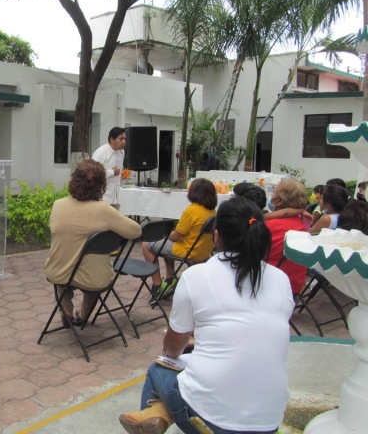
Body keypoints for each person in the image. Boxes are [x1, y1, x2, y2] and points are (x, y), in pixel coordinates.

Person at [119, 197, 293, 434]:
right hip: (269, 419)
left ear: (217, 235)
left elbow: (172, 348)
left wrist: (181, 349)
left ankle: (157, 412)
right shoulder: (280, 279)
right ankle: (161, 413)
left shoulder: (197, 276)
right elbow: (252, 331)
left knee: (159, 370)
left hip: (215, 418)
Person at [44, 159, 141, 325]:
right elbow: (136, 231)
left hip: (58, 273)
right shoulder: (103, 209)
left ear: (74, 181)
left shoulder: (57, 205)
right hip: (92, 279)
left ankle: (66, 308)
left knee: (60, 265)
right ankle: (83, 314)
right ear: (101, 185)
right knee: (96, 271)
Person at [143, 178, 217, 301]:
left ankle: (157, 286)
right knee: (166, 244)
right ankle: (170, 279)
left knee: (147, 244)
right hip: (203, 253)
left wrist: (164, 234)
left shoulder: (192, 210)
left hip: (188, 252)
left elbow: (176, 236)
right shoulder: (213, 211)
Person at [265, 179, 309, 294]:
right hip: (295, 284)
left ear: (279, 201)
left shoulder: (269, 226)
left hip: (269, 284)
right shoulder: (303, 222)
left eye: (273, 193)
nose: (271, 196)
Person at [92, 127, 126, 208]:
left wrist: (122, 175)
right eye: (120, 139)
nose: (124, 142)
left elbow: (119, 171)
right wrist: (112, 172)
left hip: (116, 198)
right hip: (102, 199)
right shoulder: (101, 152)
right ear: (112, 140)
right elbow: (92, 173)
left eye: (125, 139)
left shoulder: (121, 152)